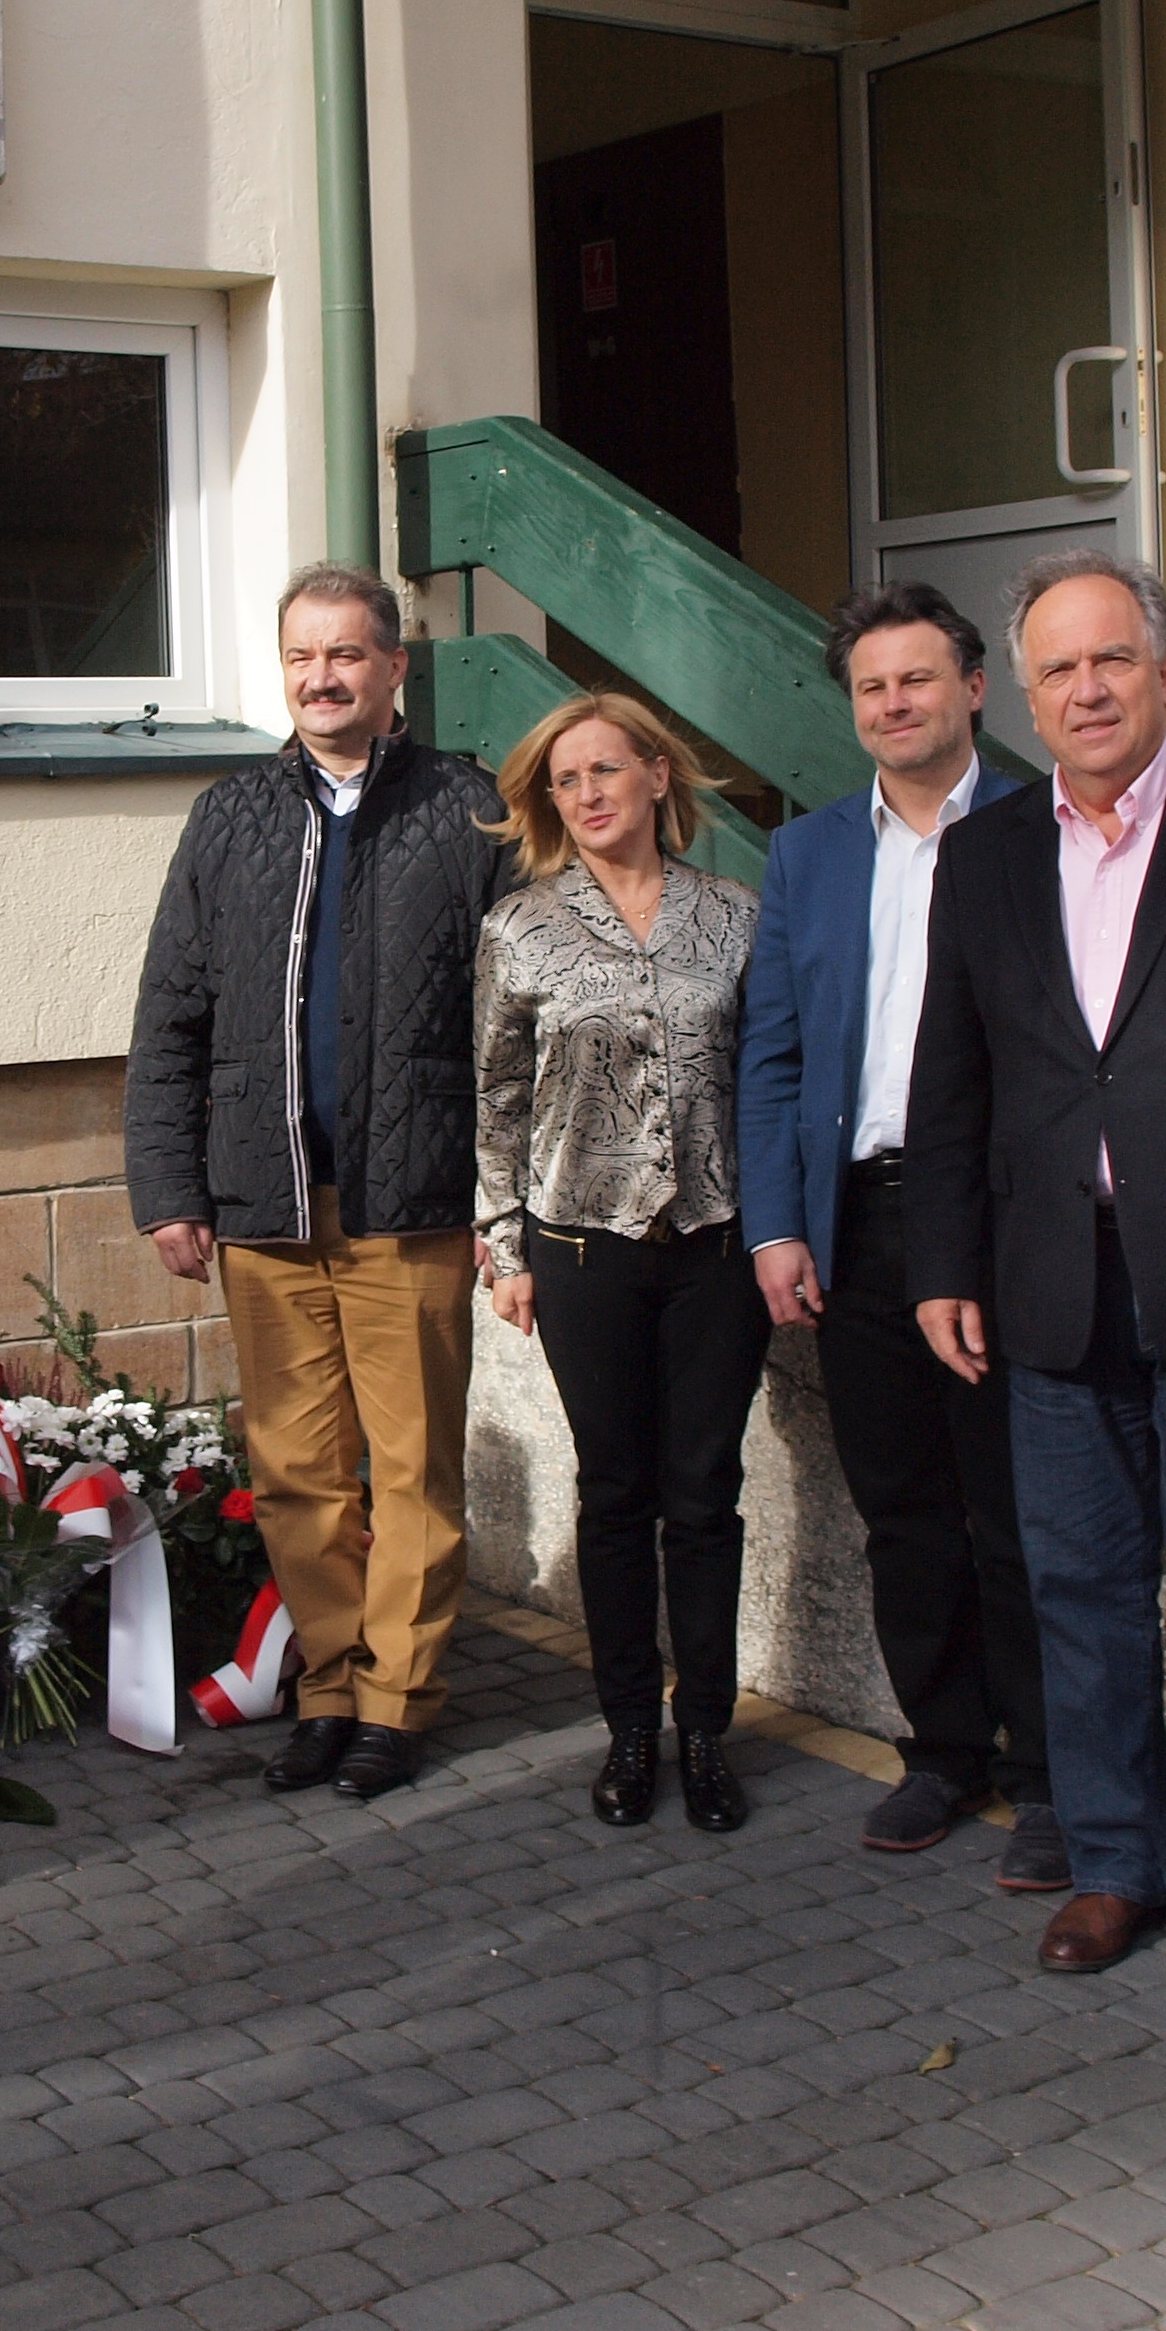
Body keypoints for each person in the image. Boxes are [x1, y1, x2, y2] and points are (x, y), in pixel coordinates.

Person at [907, 549, 1166, 1985]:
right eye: (1058, 668)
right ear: (1020, 694)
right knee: (1081, 1588)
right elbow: (952, 1075)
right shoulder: (987, 853)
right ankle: (1116, 1861)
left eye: (1113, 658)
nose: (1087, 689)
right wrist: (942, 1260)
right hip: (1050, 1276)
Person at [127, 564, 515, 1804]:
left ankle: (398, 1703)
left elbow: (516, 1023)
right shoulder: (228, 816)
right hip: (266, 1201)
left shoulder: (468, 808)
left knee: (412, 1473)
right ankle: (332, 1690)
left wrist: (503, 1202)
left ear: (395, 667)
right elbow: (171, 1012)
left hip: (414, 1202)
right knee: (296, 1474)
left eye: (347, 654)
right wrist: (169, 1184)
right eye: (302, 657)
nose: (323, 678)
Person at [735, 584, 1057, 1882]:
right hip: (859, 1220)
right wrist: (776, 1226)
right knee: (904, 1510)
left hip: (995, 1217)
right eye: (872, 687)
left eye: (917, 679)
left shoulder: (1040, 830)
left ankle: (1050, 1774)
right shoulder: (809, 854)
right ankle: (944, 1750)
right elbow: (772, 1052)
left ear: (974, 689)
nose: (893, 704)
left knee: (1016, 1511)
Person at [475, 693, 773, 1833]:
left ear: (656, 775)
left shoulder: (735, 917)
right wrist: (504, 1246)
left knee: (704, 1496)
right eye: (566, 780)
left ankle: (706, 1731)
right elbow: (496, 1095)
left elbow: (770, 1077)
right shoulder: (521, 929)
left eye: (606, 769)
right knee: (614, 1493)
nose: (588, 793)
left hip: (715, 1248)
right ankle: (629, 1730)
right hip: (580, 1250)